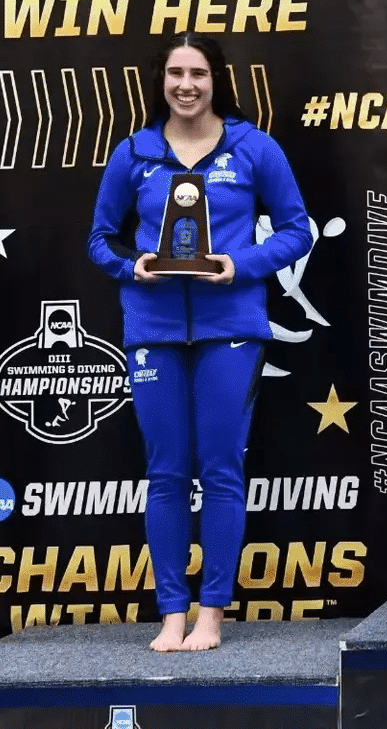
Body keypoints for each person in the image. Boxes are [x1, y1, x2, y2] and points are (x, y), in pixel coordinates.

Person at [87, 32, 312, 651]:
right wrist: (131, 266)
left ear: (217, 80)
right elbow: (100, 239)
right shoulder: (133, 152)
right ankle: (171, 614)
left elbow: (297, 230)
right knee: (164, 473)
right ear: (160, 81)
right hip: (153, 329)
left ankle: (211, 613)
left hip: (231, 326)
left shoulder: (254, 147)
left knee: (220, 470)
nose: (186, 85)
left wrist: (241, 264)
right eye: (175, 73)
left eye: (199, 73)